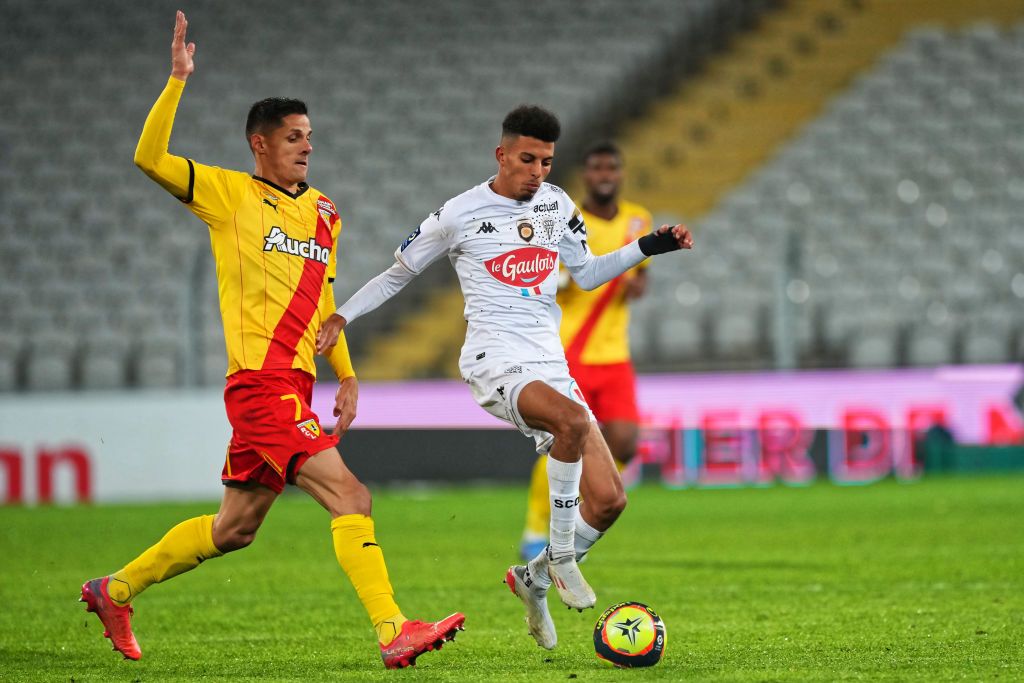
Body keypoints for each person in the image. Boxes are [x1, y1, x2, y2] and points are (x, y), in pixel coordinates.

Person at [79, 12, 463, 670]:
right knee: (352, 496)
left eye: (309, 136)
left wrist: (344, 374)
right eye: (293, 137)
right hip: (257, 387)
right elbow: (148, 158)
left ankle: (113, 589)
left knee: (235, 528)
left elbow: (323, 304)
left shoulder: (324, 213)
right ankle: (393, 626)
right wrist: (175, 82)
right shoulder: (227, 194)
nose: (306, 146)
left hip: (294, 385)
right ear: (259, 143)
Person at [316, 105, 692, 650]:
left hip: (549, 362)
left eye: (546, 161)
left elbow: (585, 274)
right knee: (568, 422)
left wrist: (649, 246)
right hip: (493, 358)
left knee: (610, 501)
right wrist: (342, 314)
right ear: (501, 154)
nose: (538, 170)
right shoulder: (459, 213)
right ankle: (561, 556)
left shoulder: (557, 203)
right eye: (527, 159)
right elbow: (398, 273)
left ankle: (532, 580)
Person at [519, 141, 651, 561]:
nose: (605, 175)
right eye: (597, 168)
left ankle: (583, 502)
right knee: (565, 439)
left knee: (625, 442)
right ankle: (537, 526)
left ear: (620, 172)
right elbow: (550, 274)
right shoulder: (564, 217)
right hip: (569, 348)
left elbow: (643, 279)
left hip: (614, 354)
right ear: (586, 175)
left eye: (612, 167)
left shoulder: (637, 219)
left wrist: (634, 284)